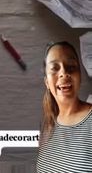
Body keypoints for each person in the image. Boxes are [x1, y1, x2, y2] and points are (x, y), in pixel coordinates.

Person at [37, 41, 92, 173]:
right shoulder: (48, 124)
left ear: (80, 76)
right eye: (55, 68)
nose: (64, 72)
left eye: (71, 66)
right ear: (47, 82)